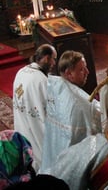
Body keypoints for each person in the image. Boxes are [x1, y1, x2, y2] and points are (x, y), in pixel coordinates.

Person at [40, 50, 102, 172]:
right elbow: (99, 119)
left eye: (86, 68)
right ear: (69, 73)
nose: (87, 72)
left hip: (53, 154)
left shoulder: (54, 86)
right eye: (81, 69)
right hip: (71, 164)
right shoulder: (79, 102)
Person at [13, 44, 57, 172]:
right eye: (54, 59)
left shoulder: (21, 71)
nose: (54, 63)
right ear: (47, 58)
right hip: (37, 128)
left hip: (23, 124)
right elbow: (51, 108)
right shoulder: (41, 80)